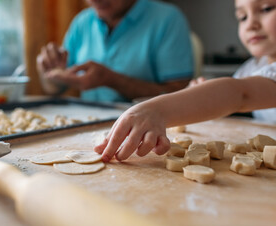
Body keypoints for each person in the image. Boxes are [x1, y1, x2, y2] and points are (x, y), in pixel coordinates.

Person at [94, 0, 276, 162]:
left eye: (267, 8)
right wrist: (200, 93)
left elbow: (238, 95)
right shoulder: (252, 67)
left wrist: (157, 111)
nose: (250, 24)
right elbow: (228, 101)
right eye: (242, 17)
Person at [37, 0, 194, 102]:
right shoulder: (82, 21)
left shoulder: (167, 19)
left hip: (148, 129)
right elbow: (54, 88)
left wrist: (112, 80)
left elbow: (180, 96)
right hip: (88, 126)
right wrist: (49, 71)